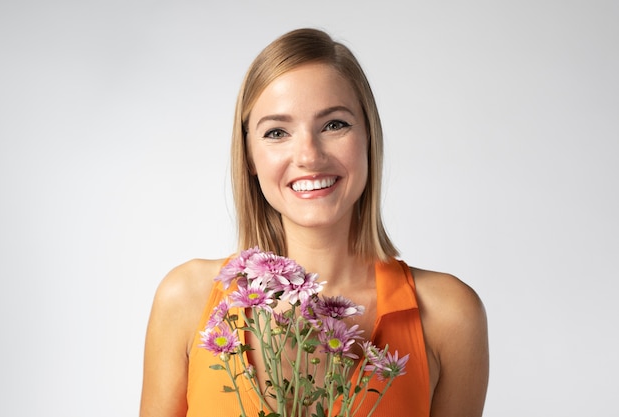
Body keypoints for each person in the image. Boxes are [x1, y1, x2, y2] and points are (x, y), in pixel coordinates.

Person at [140, 28, 489, 417]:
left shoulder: (448, 315)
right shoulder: (186, 300)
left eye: (334, 124)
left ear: (368, 138)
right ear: (251, 158)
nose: (308, 155)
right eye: (277, 132)